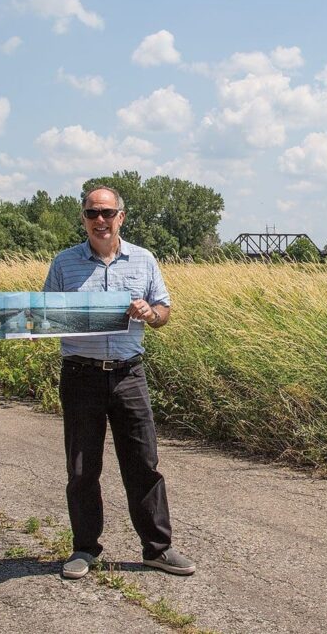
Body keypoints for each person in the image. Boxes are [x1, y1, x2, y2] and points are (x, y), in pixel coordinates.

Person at [43, 185, 195, 579]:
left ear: (121, 218)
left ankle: (157, 549)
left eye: (108, 213)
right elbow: (44, 316)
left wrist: (150, 312)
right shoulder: (64, 264)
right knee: (81, 469)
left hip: (129, 373)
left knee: (143, 464)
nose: (100, 220)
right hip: (81, 375)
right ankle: (84, 549)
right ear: (83, 218)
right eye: (93, 213)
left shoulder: (143, 260)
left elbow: (164, 312)